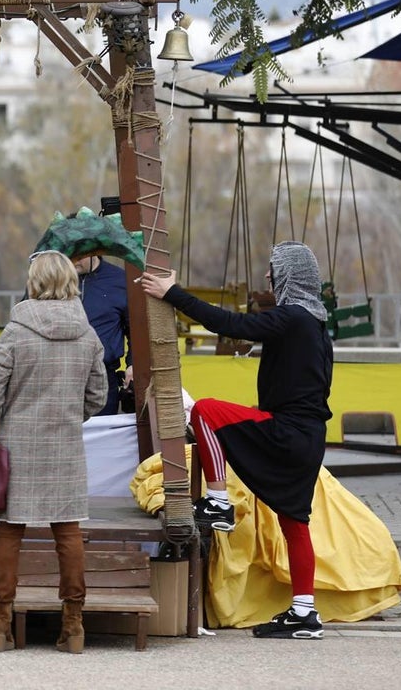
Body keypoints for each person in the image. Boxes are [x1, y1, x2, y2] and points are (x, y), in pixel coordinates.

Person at [138, 240, 333, 641]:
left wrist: (172, 293)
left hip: (288, 431)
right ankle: (304, 613)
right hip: (308, 438)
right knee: (295, 523)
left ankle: (218, 501)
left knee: (205, 410)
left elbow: (230, 325)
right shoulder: (314, 323)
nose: (268, 275)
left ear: (289, 275)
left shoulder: (293, 317)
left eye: (274, 268)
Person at [0, 250, 108, 654]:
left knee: (9, 529)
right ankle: (73, 624)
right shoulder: (87, 334)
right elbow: (98, 394)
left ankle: (1, 623)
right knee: (68, 531)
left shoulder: (17, 330)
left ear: (34, 281)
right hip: (64, 444)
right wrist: (69, 416)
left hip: (16, 443)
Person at [73, 251, 132, 415]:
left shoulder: (120, 281)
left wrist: (132, 364)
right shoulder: (56, 279)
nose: (73, 260)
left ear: (95, 251)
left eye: (79, 255)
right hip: (61, 374)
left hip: (104, 376)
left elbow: (134, 330)